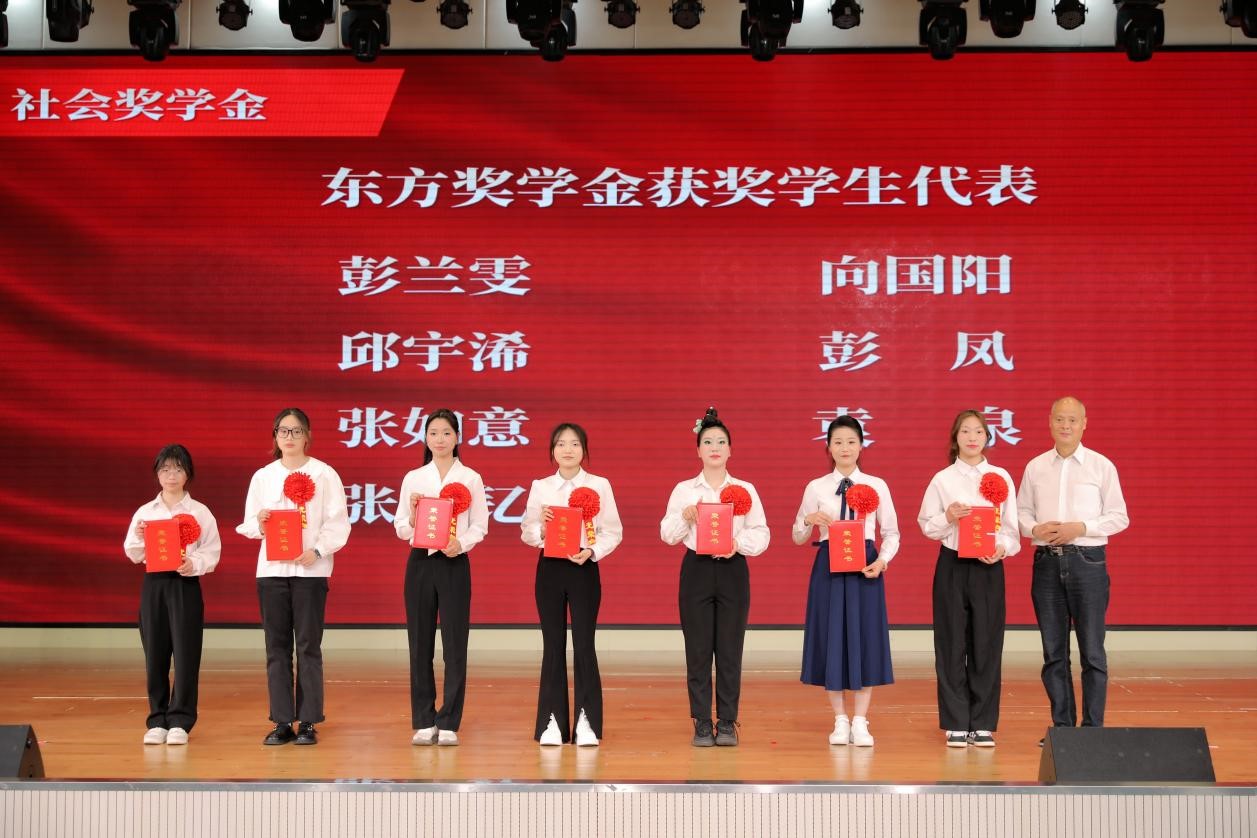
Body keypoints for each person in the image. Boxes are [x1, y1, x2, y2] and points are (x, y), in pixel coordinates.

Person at [237, 408, 351, 746]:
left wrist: (317, 550)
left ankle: (309, 721)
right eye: (283, 431)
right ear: (275, 436)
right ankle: (282, 720)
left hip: (311, 571)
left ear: (307, 436)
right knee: (276, 647)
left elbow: (338, 523)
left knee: (308, 647)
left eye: (296, 431)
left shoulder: (324, 474)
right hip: (271, 572)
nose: (289, 437)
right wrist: (260, 522)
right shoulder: (263, 477)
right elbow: (247, 524)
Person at [1017, 397, 1129, 735]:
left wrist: (1080, 527)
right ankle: (1063, 729)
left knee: (1092, 651)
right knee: (1054, 653)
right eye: (1059, 419)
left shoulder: (1101, 466)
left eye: (1072, 420)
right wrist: (1035, 529)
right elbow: (1020, 513)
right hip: (1046, 563)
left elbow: (1119, 517)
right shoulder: (1036, 467)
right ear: (1049, 421)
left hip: (1087, 562)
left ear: (1084, 424)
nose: (1065, 426)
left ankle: (1092, 730)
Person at [661, 408, 770, 747]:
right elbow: (667, 534)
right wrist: (685, 516)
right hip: (696, 569)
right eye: (707, 442)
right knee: (697, 649)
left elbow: (762, 533)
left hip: (732, 569)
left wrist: (737, 544)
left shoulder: (744, 489)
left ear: (730, 450)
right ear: (698, 450)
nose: (715, 448)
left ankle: (726, 721)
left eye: (721, 442)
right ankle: (701, 721)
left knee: (729, 648)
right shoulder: (684, 490)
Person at [791, 415, 898, 748]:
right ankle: (839, 719)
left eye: (851, 441)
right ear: (828, 447)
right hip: (829, 567)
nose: (845, 448)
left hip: (865, 566)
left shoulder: (877, 485)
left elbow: (892, 532)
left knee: (866, 638)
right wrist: (808, 520)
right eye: (837, 442)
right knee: (832, 638)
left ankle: (861, 720)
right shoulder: (816, 487)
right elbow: (797, 536)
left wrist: (882, 561)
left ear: (862, 445)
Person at [917, 410, 1020, 748]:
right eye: (965, 431)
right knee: (950, 643)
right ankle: (956, 722)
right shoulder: (943, 479)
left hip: (989, 567)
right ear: (955, 437)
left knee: (987, 644)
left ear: (987, 437)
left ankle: (983, 723)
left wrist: (1001, 549)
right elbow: (927, 525)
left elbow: (1012, 531)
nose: (972, 437)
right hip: (952, 565)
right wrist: (948, 516)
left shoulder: (1000, 477)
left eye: (978, 431)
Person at [521, 423, 623, 747]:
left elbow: (613, 531)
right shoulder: (541, 487)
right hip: (549, 569)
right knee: (553, 645)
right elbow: (526, 531)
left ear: (584, 450)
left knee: (584, 643)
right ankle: (551, 722)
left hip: (584, 568)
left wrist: (592, 551)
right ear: (552, 450)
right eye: (561, 444)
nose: (568, 449)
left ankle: (586, 721)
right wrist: (541, 527)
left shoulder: (599, 485)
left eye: (575, 444)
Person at [393, 409, 489, 746]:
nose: (440, 439)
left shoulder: (471, 478)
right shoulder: (414, 478)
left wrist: (460, 543)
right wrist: (413, 515)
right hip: (420, 562)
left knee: (455, 644)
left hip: (454, 562)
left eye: (447, 433)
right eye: (433, 433)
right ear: (425, 438)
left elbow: (480, 524)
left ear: (457, 437)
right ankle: (424, 719)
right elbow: (400, 525)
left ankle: (448, 720)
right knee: (419, 643)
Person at [123, 444, 221, 746]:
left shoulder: (199, 512)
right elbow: (132, 552)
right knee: (155, 653)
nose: (171, 475)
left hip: (184, 585)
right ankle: (157, 719)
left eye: (178, 469)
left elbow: (212, 552)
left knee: (186, 653)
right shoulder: (146, 512)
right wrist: (140, 537)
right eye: (165, 469)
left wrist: (193, 563)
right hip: (154, 585)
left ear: (188, 474)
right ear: (157, 474)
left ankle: (180, 719)